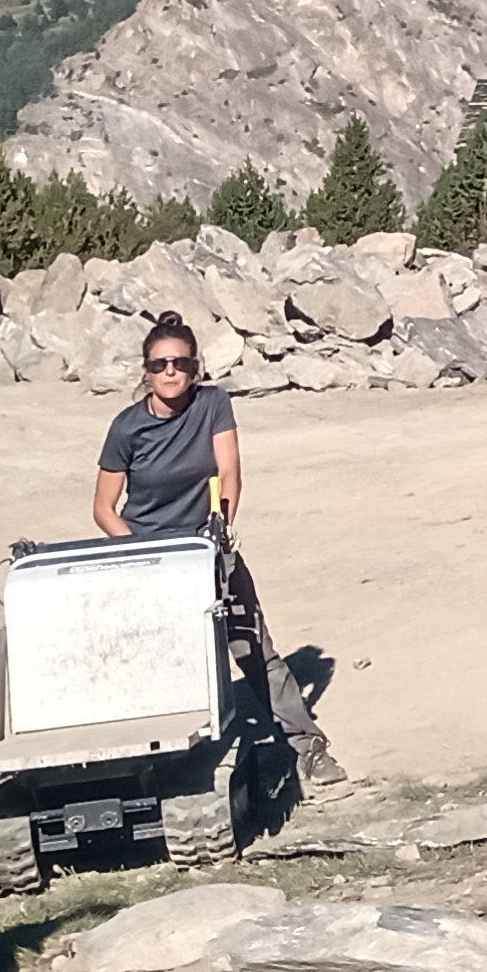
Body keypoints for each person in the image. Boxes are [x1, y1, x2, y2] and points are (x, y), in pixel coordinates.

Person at [99, 313, 342, 783]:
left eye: (180, 363)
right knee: (152, 657)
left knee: (252, 647)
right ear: (145, 370)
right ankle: (149, 760)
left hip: (209, 547)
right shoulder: (126, 428)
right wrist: (140, 555)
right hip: (149, 558)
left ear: (196, 367)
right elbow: (104, 507)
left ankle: (307, 746)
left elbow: (230, 472)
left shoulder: (213, 405)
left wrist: (221, 527)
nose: (170, 372)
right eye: (160, 364)